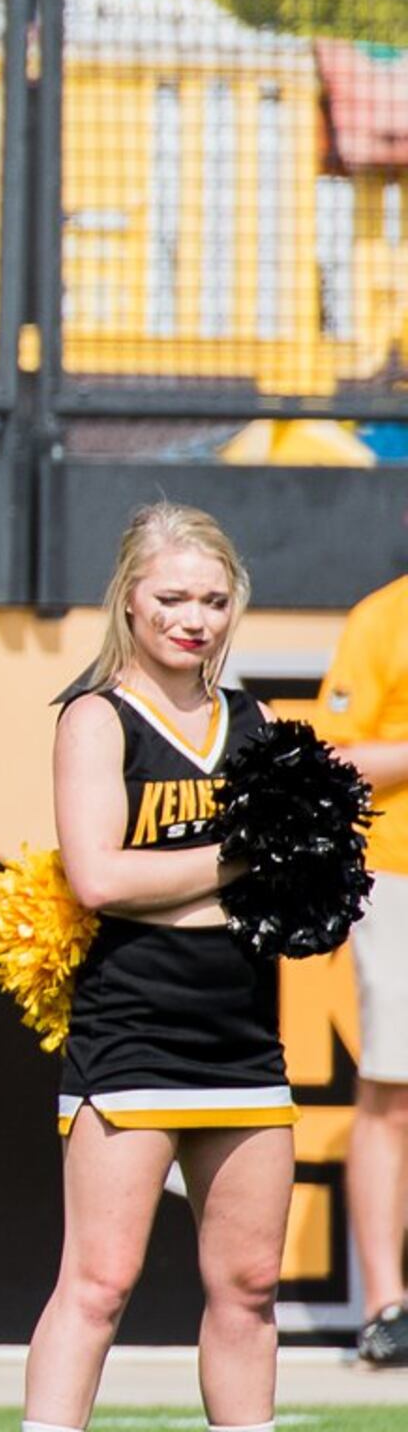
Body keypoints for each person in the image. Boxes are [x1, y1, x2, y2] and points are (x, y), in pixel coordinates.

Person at [22, 504, 296, 1432]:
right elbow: (98, 877)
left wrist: (182, 884)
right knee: (99, 1283)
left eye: (214, 599)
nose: (195, 617)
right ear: (129, 603)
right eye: (173, 596)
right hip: (131, 1032)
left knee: (251, 1286)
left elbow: (293, 889)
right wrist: (238, 861)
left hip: (243, 1038)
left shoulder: (253, 721)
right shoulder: (97, 718)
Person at [315, 551, 408, 1366]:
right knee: (392, 1093)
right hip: (402, 876)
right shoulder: (385, 615)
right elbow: (337, 761)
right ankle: (388, 1308)